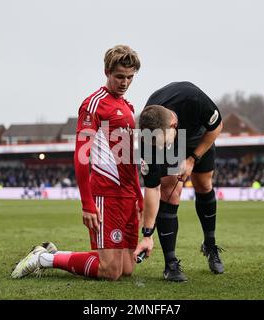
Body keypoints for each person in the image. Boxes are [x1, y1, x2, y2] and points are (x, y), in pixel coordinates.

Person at [12, 45, 143, 280]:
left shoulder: (128, 107)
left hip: (127, 197)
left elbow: (129, 158)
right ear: (107, 72)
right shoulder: (94, 104)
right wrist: (87, 203)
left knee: (126, 269)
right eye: (120, 77)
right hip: (106, 193)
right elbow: (81, 155)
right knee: (110, 271)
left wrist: (139, 197)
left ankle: (53, 253)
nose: (125, 83)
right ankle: (43, 258)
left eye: (130, 77)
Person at [133, 81, 224, 282]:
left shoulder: (194, 98)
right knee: (170, 190)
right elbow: (152, 188)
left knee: (203, 184)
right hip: (171, 137)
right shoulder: (150, 137)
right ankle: (171, 264)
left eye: (161, 143)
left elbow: (217, 126)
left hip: (199, 135)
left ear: (174, 125)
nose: (158, 147)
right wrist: (147, 234)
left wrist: (192, 159)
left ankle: (210, 244)